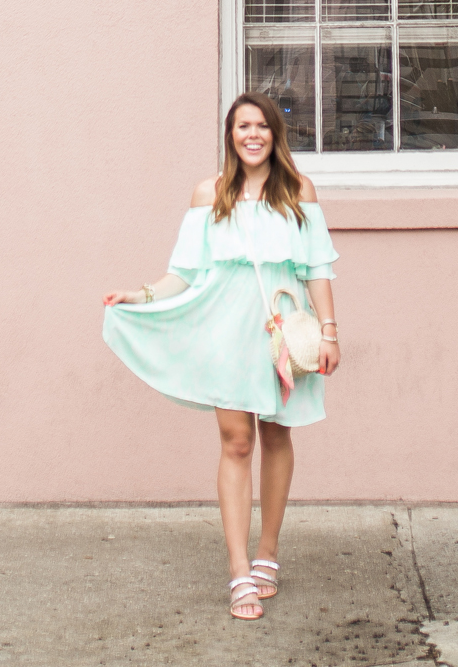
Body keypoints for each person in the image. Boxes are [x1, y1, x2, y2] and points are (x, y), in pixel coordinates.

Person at [102, 92, 341, 621]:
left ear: (275, 134)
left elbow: (317, 269)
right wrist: (138, 296)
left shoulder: (299, 191)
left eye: (261, 126)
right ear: (230, 135)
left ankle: (268, 556)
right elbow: (183, 273)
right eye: (241, 127)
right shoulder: (209, 194)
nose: (251, 135)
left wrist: (329, 332)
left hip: (283, 335)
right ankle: (239, 574)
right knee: (236, 442)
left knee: (277, 435)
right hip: (226, 336)